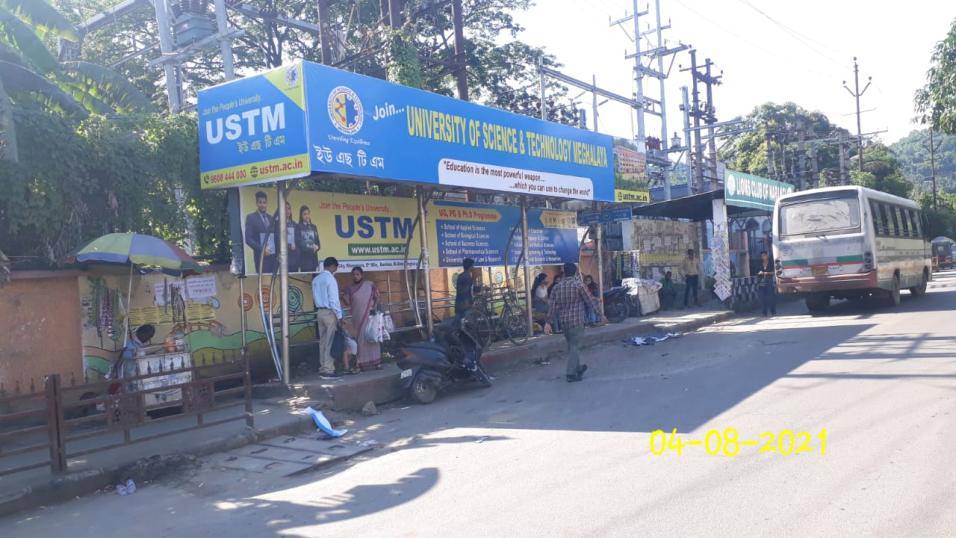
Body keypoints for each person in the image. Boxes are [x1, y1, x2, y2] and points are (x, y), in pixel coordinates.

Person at [544, 263, 592, 383]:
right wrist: (601, 315)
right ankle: (571, 374)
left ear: (564, 273)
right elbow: (589, 301)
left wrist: (548, 323)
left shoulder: (556, 287)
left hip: (564, 322)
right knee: (575, 347)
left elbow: (552, 307)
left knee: (572, 346)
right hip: (577, 321)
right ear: (576, 272)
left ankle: (578, 368)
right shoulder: (579, 285)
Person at [344, 266, 382, 371]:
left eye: (357, 274)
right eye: (354, 275)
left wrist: (374, 308)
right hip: (357, 319)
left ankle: (377, 363)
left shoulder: (369, 285)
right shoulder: (349, 288)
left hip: (370, 317)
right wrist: (343, 296)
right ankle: (360, 363)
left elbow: (377, 297)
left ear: (362, 275)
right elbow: (347, 302)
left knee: (373, 338)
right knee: (360, 341)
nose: (355, 277)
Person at [312, 257, 342, 379]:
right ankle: (328, 369)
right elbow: (334, 300)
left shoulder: (316, 279)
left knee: (323, 342)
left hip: (319, 312)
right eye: (336, 267)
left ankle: (323, 367)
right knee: (330, 341)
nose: (336, 269)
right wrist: (339, 316)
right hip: (330, 313)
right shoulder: (330, 279)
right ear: (332, 266)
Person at [244, 191, 275, 273]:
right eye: (260, 202)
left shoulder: (271, 218)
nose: (262, 205)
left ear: (267, 203)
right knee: (264, 284)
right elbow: (248, 239)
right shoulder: (251, 217)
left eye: (264, 202)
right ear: (257, 203)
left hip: (272, 257)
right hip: (260, 257)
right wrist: (262, 249)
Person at [295, 205, 320, 273]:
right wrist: (310, 247)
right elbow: (299, 243)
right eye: (304, 214)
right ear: (301, 215)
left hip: (313, 260)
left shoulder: (313, 227)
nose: (307, 216)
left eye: (308, 214)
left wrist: (317, 247)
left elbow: (318, 243)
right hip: (304, 261)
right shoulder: (298, 227)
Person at [275, 200, 298, 272]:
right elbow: (276, 240)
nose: (287, 211)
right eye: (285, 208)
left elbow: (298, 239)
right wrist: (288, 245)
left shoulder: (295, 224)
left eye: (289, 208)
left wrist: (295, 246)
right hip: (282, 258)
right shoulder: (277, 224)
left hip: (294, 259)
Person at [757, 250, 777, 317]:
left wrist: (766, 273)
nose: (763, 257)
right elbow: (757, 271)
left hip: (769, 281)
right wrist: (759, 273)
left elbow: (774, 272)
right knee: (762, 298)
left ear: (767, 256)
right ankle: (764, 312)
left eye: (764, 255)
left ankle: (773, 311)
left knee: (770, 297)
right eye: (762, 256)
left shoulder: (771, 263)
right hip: (762, 282)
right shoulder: (759, 263)